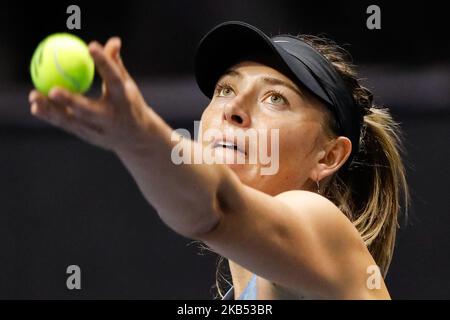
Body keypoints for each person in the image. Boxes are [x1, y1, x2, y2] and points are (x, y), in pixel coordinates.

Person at [28, 21, 409, 299]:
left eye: (276, 98)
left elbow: (216, 207)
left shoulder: (321, 223)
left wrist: (138, 135)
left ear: (328, 156)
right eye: (225, 89)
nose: (233, 109)